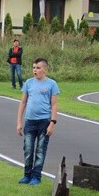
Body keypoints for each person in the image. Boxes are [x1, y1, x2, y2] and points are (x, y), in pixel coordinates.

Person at [16, 57, 59, 185]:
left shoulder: (52, 84)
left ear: (45, 69)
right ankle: (27, 175)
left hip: (44, 121)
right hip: (30, 121)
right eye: (34, 68)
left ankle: (36, 176)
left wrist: (52, 122)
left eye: (38, 68)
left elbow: (54, 105)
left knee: (40, 151)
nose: (35, 70)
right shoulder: (28, 83)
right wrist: (19, 122)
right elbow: (23, 102)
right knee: (28, 149)